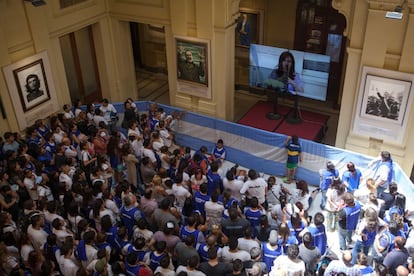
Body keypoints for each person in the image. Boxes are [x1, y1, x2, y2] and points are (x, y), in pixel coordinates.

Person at [264, 51, 304, 121]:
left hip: (289, 106)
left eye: (289, 61)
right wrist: (278, 81)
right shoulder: (275, 72)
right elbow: (266, 82)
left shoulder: (295, 75)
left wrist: (292, 82)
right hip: (274, 105)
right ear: (281, 62)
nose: (286, 63)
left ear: (292, 63)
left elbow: (301, 91)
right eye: (284, 60)